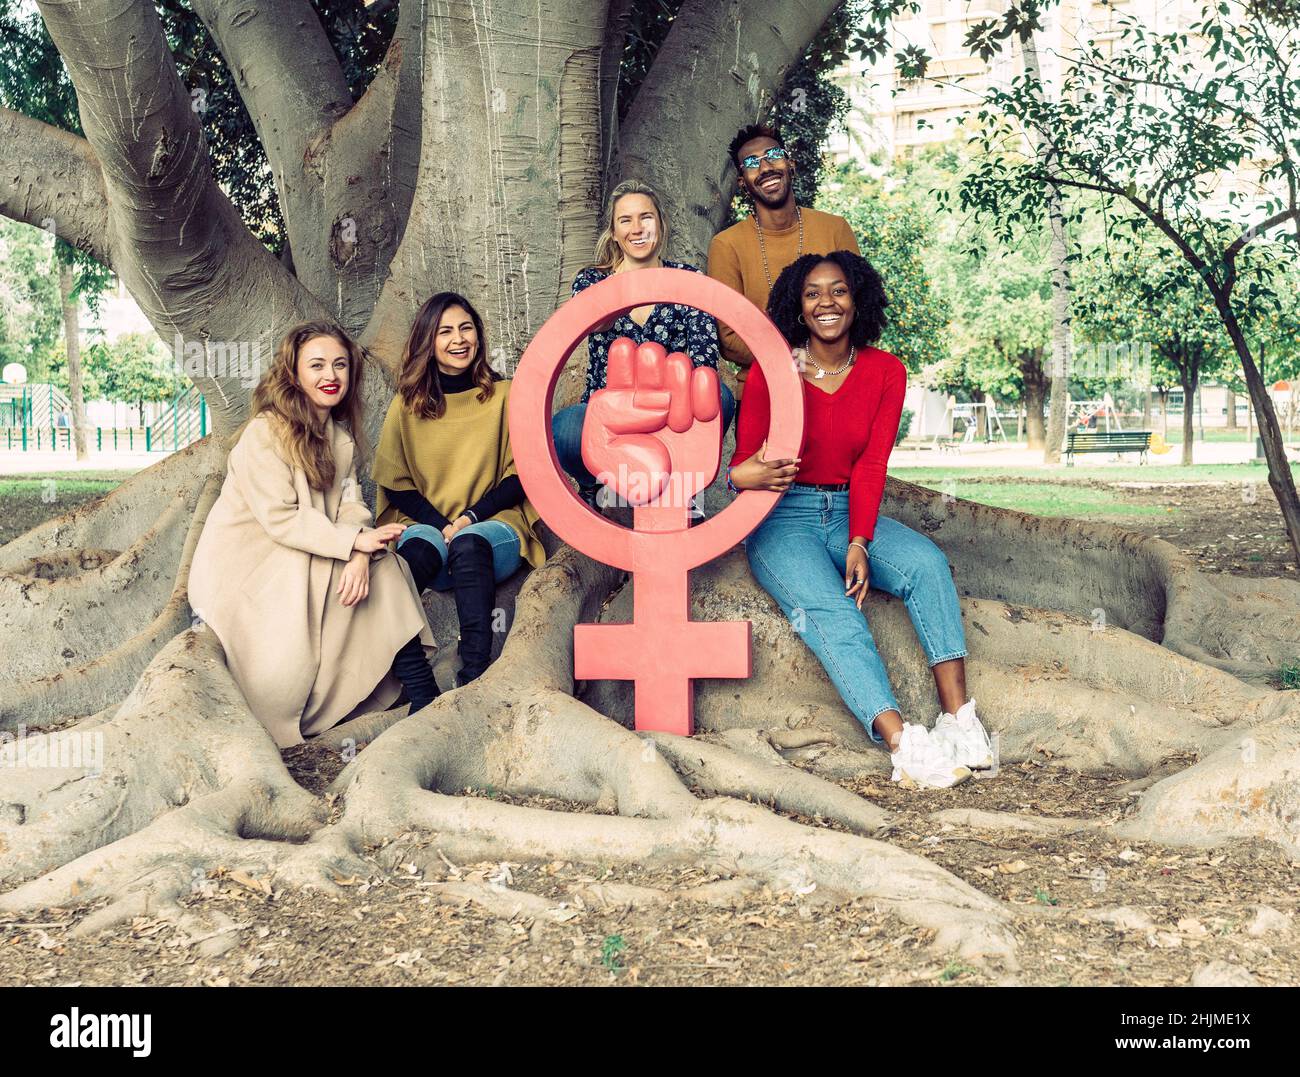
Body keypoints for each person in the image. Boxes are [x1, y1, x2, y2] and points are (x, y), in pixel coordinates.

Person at [727, 251, 994, 789]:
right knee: (836, 613)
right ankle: (904, 744)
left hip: (851, 507)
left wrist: (860, 541)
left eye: (839, 290)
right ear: (797, 308)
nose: (826, 302)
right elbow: (741, 469)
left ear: (858, 299)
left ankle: (959, 719)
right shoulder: (771, 373)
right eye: (812, 294)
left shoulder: (885, 371)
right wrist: (747, 475)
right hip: (784, 519)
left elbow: (872, 464)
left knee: (927, 564)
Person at [189, 321, 437, 749]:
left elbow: (352, 507)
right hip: (252, 567)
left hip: (312, 551)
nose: (331, 376)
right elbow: (280, 519)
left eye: (340, 365)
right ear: (294, 373)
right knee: (383, 566)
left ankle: (424, 696)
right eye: (317, 365)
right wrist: (354, 544)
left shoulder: (340, 439)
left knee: (385, 565)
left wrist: (361, 553)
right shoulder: (265, 433)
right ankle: (424, 695)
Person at [374, 292, 545, 687]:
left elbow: (520, 475)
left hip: (493, 528)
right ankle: (415, 680)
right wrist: (441, 525)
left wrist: (467, 519)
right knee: (408, 559)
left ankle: (475, 675)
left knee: (468, 543)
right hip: (427, 527)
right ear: (428, 342)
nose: (458, 339)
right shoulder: (407, 405)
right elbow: (396, 483)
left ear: (478, 336)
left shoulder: (505, 396)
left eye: (466, 328)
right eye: (445, 331)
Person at [553, 179, 735, 511]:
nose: (637, 228)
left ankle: (683, 489)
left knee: (718, 396)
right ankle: (601, 484)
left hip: (674, 412)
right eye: (626, 220)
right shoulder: (592, 281)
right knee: (565, 429)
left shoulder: (690, 280)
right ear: (614, 230)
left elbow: (704, 359)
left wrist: (667, 403)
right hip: (611, 415)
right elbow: (593, 322)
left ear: (661, 224)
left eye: (646, 217)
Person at [708, 124, 861, 397]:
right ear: (742, 181)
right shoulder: (726, 245)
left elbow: (861, 309)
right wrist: (799, 361)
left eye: (773, 155)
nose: (765, 167)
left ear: (790, 164)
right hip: (762, 393)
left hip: (835, 387)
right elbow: (729, 339)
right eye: (752, 163)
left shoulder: (835, 229)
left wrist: (818, 364)